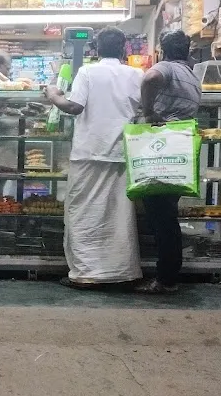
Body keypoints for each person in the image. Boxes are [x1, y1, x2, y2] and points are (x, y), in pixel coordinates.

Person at [45, 27, 143, 289]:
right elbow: (144, 107)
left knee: (83, 212)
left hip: (89, 152)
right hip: (122, 153)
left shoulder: (88, 71)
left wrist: (53, 94)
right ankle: (120, 272)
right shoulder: (136, 74)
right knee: (119, 217)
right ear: (124, 49)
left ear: (96, 49)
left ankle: (87, 273)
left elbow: (74, 106)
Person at [136, 29, 202, 294]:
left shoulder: (166, 68)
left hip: (161, 147)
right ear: (187, 51)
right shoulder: (191, 76)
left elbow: (150, 78)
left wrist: (149, 112)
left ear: (162, 51)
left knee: (160, 215)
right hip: (180, 146)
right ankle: (168, 275)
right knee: (166, 214)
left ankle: (165, 279)